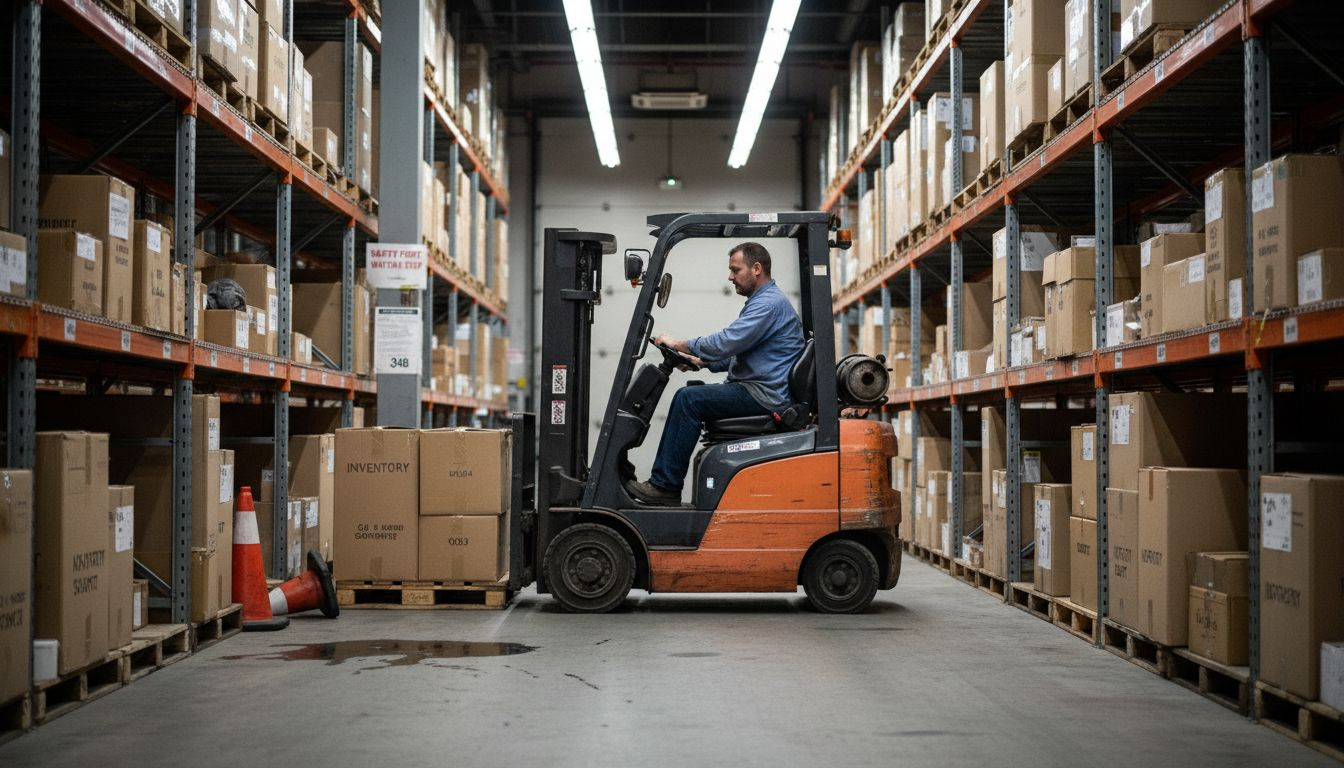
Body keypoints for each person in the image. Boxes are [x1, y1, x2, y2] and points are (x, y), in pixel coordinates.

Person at [628, 242, 805, 504]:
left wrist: (677, 343)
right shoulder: (765, 301)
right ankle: (665, 483)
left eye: (736, 269)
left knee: (689, 399)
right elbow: (743, 353)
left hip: (764, 396)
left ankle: (665, 486)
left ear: (756, 269)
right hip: (760, 389)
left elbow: (726, 343)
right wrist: (700, 361)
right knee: (692, 392)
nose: (730, 277)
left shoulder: (768, 304)